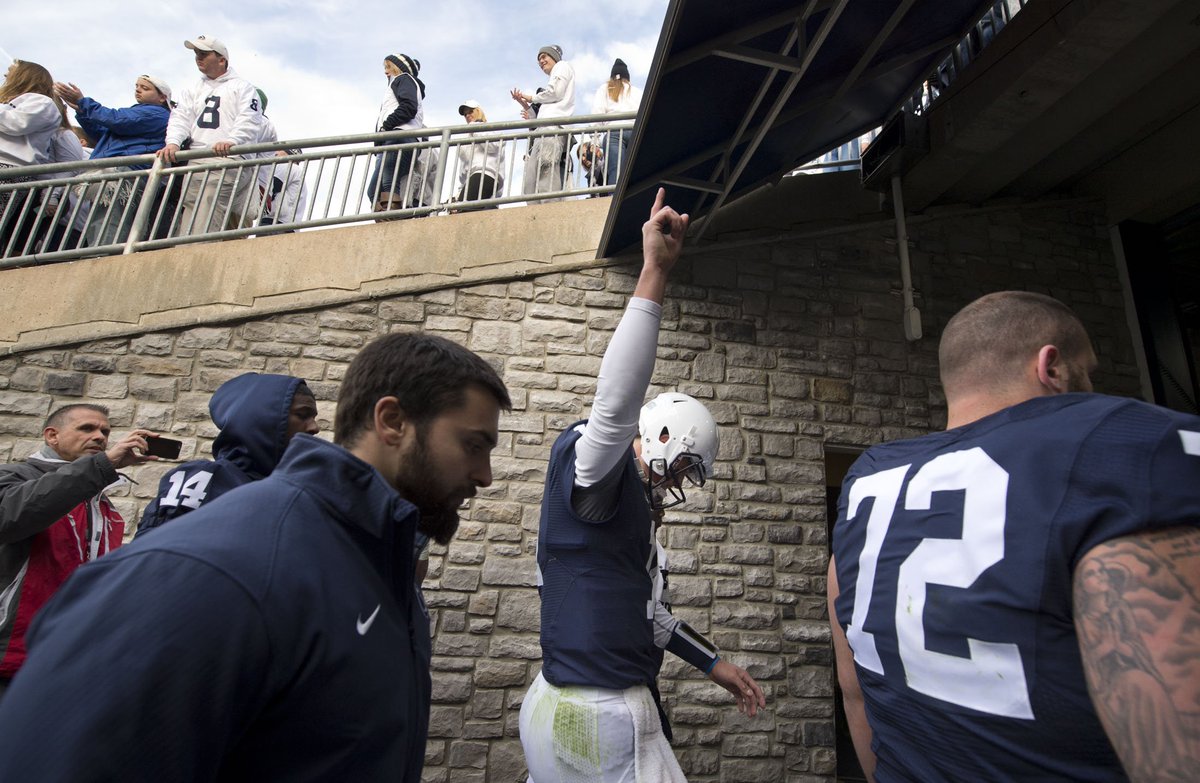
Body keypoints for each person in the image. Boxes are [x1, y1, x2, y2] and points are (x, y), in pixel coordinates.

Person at [0, 332, 511, 781]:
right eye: (473, 445)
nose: (485, 475)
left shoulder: (380, 561)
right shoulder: (206, 570)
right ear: (392, 420)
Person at [828, 291, 1200, 782]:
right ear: (1052, 366)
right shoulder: (1123, 443)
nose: (1092, 389)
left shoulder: (869, 480)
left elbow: (854, 689)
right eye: (1086, 371)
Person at [519, 189, 765, 782]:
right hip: (596, 707)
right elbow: (614, 405)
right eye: (681, 467)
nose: (679, 485)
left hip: (562, 700)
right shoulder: (599, 472)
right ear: (656, 438)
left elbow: (651, 617)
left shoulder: (624, 512)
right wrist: (654, 272)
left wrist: (713, 664)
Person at [0, 404, 158, 695]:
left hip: (64, 659)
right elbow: (10, 518)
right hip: (10, 656)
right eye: (87, 428)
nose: (100, 437)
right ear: (52, 436)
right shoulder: (14, 477)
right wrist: (102, 467)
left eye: (105, 432)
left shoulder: (102, 505)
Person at [135, 373, 318, 537]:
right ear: (261, 421)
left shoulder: (297, 494)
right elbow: (154, 558)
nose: (314, 428)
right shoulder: (206, 478)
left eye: (314, 417)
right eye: (302, 415)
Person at [157, 35, 264, 236]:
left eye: (204, 54)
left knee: (210, 202)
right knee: (191, 203)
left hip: (229, 157)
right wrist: (173, 143)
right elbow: (180, 118)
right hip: (197, 156)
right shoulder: (193, 89)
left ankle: (198, 250)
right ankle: (186, 249)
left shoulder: (243, 87)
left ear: (221, 59)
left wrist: (233, 140)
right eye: (197, 54)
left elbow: (249, 119)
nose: (199, 58)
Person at [53, 74, 171, 247]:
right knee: (102, 219)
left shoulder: (158, 114)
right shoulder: (142, 114)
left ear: (163, 97)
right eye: (137, 86)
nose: (138, 90)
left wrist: (84, 103)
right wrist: (82, 111)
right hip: (117, 173)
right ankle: (100, 254)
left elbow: (116, 119)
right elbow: (104, 133)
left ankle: (103, 257)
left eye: (145, 88)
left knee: (110, 221)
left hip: (125, 173)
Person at [0, 60, 62, 255]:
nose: (5, 76)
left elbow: (18, 123)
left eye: (10, 72)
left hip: (10, 168)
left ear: (25, 76)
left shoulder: (42, 102)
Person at [511, 44, 575, 200]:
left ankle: (548, 213)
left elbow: (555, 92)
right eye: (539, 59)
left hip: (552, 130)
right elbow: (540, 111)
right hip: (544, 130)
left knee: (546, 176)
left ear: (554, 57)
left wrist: (530, 97)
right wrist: (525, 103)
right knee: (531, 181)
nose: (541, 61)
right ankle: (535, 215)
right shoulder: (554, 78)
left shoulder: (562, 65)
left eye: (544, 56)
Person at [369, 53, 424, 215]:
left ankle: (392, 222)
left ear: (397, 67)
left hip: (399, 136)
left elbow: (409, 107)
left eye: (388, 67)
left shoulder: (404, 79)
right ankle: (387, 221)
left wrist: (387, 126)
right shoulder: (397, 84)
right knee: (373, 192)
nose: (385, 71)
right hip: (391, 139)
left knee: (388, 182)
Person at [590, 59, 641, 189]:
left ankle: (615, 203)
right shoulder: (637, 91)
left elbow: (597, 114)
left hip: (614, 132)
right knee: (637, 173)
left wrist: (594, 141)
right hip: (636, 131)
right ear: (627, 77)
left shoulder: (606, 88)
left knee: (616, 172)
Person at [454, 100, 505, 208]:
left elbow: (492, 146)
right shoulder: (466, 136)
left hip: (486, 175)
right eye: (465, 114)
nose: (467, 115)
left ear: (478, 111)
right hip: (470, 181)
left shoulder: (491, 128)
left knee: (463, 213)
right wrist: (459, 192)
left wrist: (474, 126)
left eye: (470, 111)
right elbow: (464, 168)